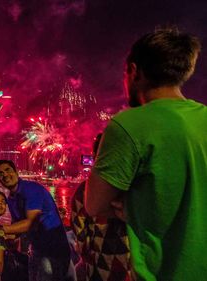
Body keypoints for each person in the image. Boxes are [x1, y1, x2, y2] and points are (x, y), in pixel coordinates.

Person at [85, 28, 207, 280]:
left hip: (162, 273)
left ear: (133, 71)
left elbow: (95, 204)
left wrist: (136, 205)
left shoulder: (128, 126)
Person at [0, 160, 71, 281]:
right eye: (0, 173)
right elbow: (16, 227)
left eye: (8, 170)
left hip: (53, 252)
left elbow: (31, 222)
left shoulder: (31, 189)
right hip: (36, 250)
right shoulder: (11, 198)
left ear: (16, 172)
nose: (4, 175)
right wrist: (6, 239)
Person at [71, 134, 131, 281]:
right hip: (134, 266)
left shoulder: (85, 190)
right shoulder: (135, 188)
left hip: (99, 266)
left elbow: (79, 234)